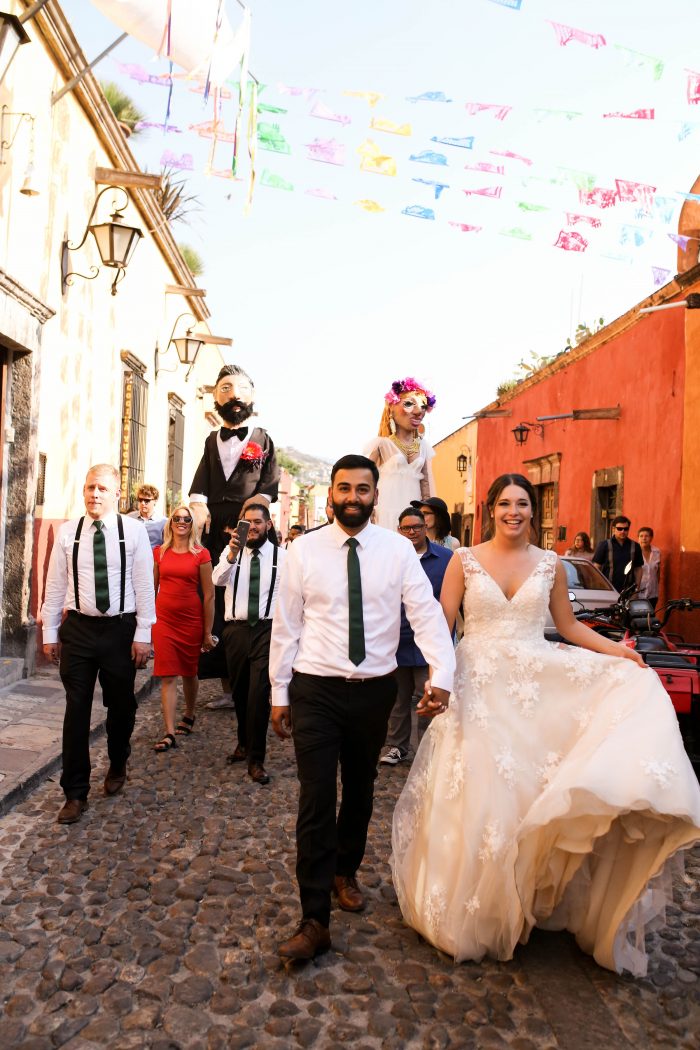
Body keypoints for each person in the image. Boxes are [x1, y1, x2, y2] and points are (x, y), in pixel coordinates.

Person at [391, 473, 700, 976]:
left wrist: (620, 653)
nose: (513, 512)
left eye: (522, 503)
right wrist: (436, 680)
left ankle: (521, 901)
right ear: (491, 509)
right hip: (477, 689)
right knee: (479, 795)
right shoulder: (463, 561)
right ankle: (473, 909)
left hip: (532, 695)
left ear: (533, 510)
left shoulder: (551, 564)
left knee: (525, 797)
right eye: (505, 503)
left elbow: (570, 626)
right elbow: (441, 626)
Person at [269, 455, 456, 961]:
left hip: (375, 689)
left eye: (362, 489)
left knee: (359, 789)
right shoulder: (303, 551)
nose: (353, 497)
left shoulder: (397, 551)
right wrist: (279, 691)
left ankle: (344, 870)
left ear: (375, 496)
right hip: (315, 688)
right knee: (314, 797)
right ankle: (314, 919)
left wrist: (442, 675)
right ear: (331, 493)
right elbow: (287, 624)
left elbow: (426, 615)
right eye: (344, 488)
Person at [40, 464, 156, 824]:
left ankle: (118, 759)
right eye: (90, 487)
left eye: (102, 489)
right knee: (76, 709)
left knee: (121, 705)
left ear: (117, 494)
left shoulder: (134, 532)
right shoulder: (68, 532)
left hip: (120, 630)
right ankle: (75, 793)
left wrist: (143, 634)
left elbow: (144, 585)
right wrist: (50, 632)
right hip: (78, 630)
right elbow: (55, 585)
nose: (94, 494)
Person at [188, 364, 280, 712]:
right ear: (215, 395)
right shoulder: (211, 439)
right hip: (215, 528)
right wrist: (198, 504)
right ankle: (227, 687)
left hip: (251, 524)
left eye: (241, 388)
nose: (234, 395)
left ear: (252, 396)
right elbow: (200, 482)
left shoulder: (263, 438)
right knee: (217, 601)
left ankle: (262, 682)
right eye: (225, 388)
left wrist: (257, 508)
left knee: (254, 596)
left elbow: (270, 484)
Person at [212, 501, 286, 785]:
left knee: (258, 694)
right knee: (241, 693)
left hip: (268, 630)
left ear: (268, 525)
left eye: (257, 522)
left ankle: (256, 758)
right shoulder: (231, 552)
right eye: (247, 522)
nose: (252, 527)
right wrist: (232, 553)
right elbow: (218, 580)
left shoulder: (283, 557)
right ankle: (243, 742)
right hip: (236, 631)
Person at [380, 507, 453, 766]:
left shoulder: (446, 559)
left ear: (425, 528)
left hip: (428, 644)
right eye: (406, 528)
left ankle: (427, 751)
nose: (412, 532)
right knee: (397, 700)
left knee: (429, 697)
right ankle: (396, 747)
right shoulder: (390, 558)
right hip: (396, 642)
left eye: (417, 527)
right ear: (399, 530)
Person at [152, 506, 216, 753]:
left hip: (191, 620)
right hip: (164, 620)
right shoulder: (159, 553)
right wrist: (145, 625)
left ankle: (189, 713)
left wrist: (207, 631)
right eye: (176, 518)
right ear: (170, 523)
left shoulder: (201, 554)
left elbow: (209, 595)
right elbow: (151, 589)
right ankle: (169, 732)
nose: (181, 522)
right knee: (167, 675)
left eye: (186, 519)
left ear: (192, 524)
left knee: (189, 672)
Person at [365, 378, 436, 530]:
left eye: (423, 406)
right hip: (385, 511)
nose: (418, 412)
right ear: (391, 409)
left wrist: (428, 513)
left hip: (413, 514)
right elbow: (367, 479)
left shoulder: (423, 446)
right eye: (409, 404)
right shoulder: (381, 444)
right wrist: (368, 509)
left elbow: (426, 485)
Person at [592, 516, 644, 593]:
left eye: (626, 529)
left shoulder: (635, 546)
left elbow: (638, 569)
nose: (623, 531)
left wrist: (636, 588)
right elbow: (596, 567)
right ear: (613, 529)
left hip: (629, 591)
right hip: (608, 590)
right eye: (619, 529)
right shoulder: (604, 545)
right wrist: (600, 586)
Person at [128, 484, 168, 549]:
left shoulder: (163, 522)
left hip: (153, 554)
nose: (143, 503)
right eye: (140, 500)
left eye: (146, 501)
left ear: (155, 501)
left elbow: (167, 545)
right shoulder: (129, 518)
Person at [637, 527, 662, 610]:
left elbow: (658, 572)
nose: (644, 538)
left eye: (646, 536)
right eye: (641, 536)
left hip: (652, 594)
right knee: (638, 616)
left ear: (651, 538)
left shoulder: (656, 552)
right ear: (638, 538)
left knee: (650, 616)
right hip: (638, 594)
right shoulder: (634, 552)